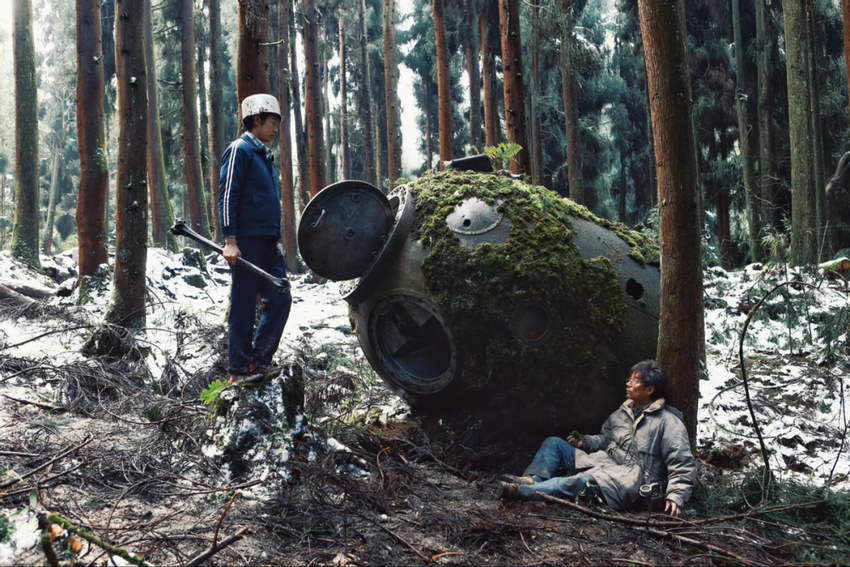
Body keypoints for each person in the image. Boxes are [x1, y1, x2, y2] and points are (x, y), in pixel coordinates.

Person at [497, 360, 696, 518]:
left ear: (650, 389)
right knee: (554, 443)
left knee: (577, 482)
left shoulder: (668, 422)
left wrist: (676, 496)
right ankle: (534, 480)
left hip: (628, 480)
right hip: (603, 463)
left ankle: (520, 492)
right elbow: (605, 439)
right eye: (629, 378)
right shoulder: (621, 413)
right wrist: (584, 442)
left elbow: (681, 461)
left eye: (635, 380)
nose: (628, 383)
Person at [219, 93, 291, 382]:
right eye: (272, 122)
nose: (276, 129)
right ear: (256, 120)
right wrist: (230, 241)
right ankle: (238, 367)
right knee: (244, 303)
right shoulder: (241, 149)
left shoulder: (264, 155)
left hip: (267, 243)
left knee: (281, 298)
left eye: (278, 123)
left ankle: (260, 360)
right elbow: (228, 195)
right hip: (246, 242)